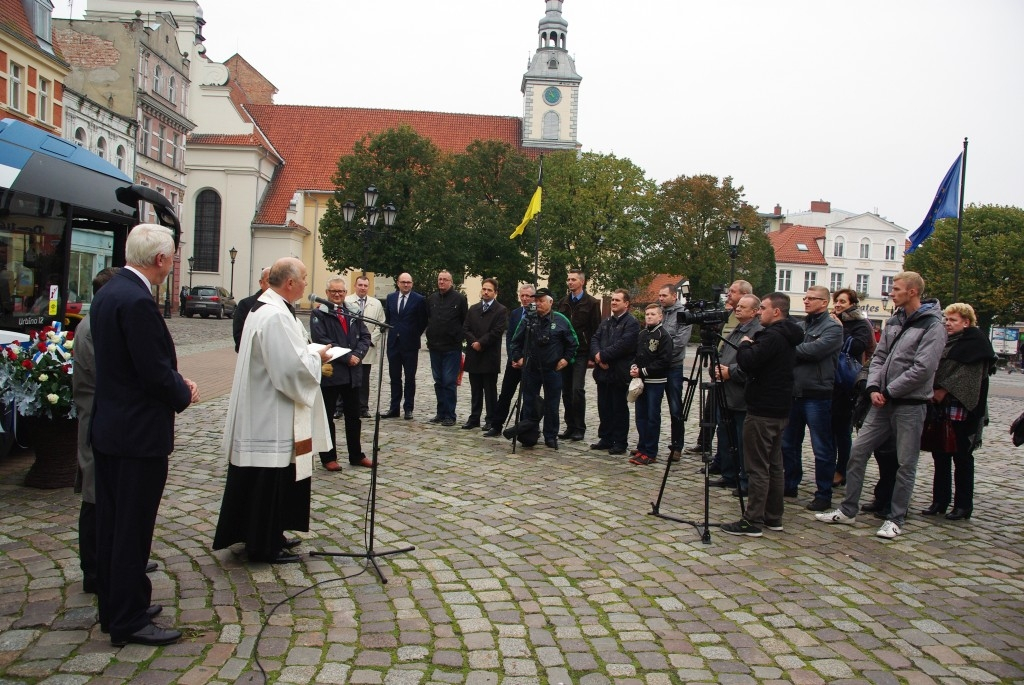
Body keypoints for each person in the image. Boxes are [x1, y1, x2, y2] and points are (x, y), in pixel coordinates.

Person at [89, 224, 198, 647]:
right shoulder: (136, 301)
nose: (172, 265)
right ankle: (128, 618)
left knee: (115, 524)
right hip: (136, 433)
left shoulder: (110, 292)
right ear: (159, 259)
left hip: (112, 426)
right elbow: (152, 370)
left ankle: (119, 603)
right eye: (172, 257)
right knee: (132, 528)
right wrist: (182, 390)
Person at [214, 258, 333, 563]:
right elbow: (289, 369)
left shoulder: (269, 308)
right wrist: (317, 358)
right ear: (290, 283)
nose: (308, 283)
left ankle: (270, 533)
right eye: (304, 278)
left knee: (270, 482)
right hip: (271, 415)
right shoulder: (276, 316)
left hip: (265, 410)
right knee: (268, 482)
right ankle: (263, 545)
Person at [816, 271, 946, 540]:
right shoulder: (896, 320)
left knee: (905, 463)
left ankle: (896, 517)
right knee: (858, 452)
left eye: (896, 288)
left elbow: (924, 368)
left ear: (912, 292)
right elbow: (879, 356)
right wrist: (874, 387)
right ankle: (848, 509)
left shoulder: (933, 324)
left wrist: (889, 390)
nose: (891, 292)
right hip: (881, 401)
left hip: (910, 403)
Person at [720, 292, 802, 537]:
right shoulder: (789, 334)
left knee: (757, 466)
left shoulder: (772, 337)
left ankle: (753, 519)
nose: (759, 312)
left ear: (776, 311)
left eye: (762, 308)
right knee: (774, 465)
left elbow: (748, 361)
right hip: (778, 407)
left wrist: (745, 343)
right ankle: (773, 516)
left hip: (763, 409)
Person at [922, 302, 996, 520]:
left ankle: (963, 505)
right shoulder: (945, 341)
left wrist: (944, 388)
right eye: (946, 319)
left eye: (953, 320)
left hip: (962, 408)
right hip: (940, 409)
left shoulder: (976, 342)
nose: (948, 323)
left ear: (966, 322)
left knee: (962, 456)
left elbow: (969, 375)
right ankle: (940, 501)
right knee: (940, 453)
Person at [72, 267, 121, 595]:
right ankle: (93, 568)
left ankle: (113, 558)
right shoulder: (92, 328)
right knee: (93, 495)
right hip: (96, 419)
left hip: (103, 416)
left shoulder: (96, 323)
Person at [781, 285, 843, 511]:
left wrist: (790, 350)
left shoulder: (833, 328)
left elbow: (813, 352)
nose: (806, 301)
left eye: (812, 298)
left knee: (822, 447)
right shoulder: (801, 325)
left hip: (818, 394)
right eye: (805, 297)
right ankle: (790, 483)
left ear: (824, 302)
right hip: (794, 392)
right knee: (788, 443)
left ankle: (823, 493)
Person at [311, 278, 372, 471]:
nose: (337, 295)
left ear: (346, 292)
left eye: (340, 291)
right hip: (332, 372)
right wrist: (347, 357)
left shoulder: (352, 312)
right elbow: (322, 339)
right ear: (327, 292)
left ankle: (356, 455)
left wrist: (358, 354)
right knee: (328, 417)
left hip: (353, 373)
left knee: (354, 416)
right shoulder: (319, 313)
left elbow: (365, 336)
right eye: (333, 291)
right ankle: (328, 456)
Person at [509, 287, 578, 449]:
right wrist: (518, 358)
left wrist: (566, 359)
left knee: (552, 405)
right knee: (529, 402)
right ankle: (528, 434)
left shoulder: (561, 320)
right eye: (536, 301)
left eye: (541, 301)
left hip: (553, 370)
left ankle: (550, 435)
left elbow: (573, 343)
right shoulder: (528, 319)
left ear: (550, 302)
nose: (538, 304)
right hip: (531, 369)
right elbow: (515, 342)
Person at [690, 280, 753, 457]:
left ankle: (727, 459)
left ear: (745, 294)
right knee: (712, 411)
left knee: (729, 421)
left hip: (733, 375)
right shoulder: (728, 314)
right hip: (719, 369)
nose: (728, 294)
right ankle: (710, 448)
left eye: (733, 291)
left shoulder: (747, 320)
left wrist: (729, 371)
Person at [710, 293, 763, 494]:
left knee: (742, 442)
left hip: (741, 394)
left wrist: (730, 373)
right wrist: (716, 369)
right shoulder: (736, 330)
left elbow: (752, 363)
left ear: (754, 311)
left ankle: (744, 480)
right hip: (725, 392)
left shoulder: (757, 331)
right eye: (737, 306)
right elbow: (722, 353)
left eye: (742, 306)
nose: (737, 308)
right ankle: (728, 474)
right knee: (725, 436)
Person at [829, 288, 875, 488]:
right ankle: (832, 468)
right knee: (829, 429)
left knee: (842, 430)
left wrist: (839, 329)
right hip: (830, 380)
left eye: (842, 301)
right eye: (836, 301)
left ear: (852, 304)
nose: (838, 304)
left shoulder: (861, 323)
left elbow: (857, 347)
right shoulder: (830, 320)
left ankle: (843, 469)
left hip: (847, 381)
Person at [588, 289, 639, 455]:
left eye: (617, 300)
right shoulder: (606, 322)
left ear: (626, 303)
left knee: (618, 407)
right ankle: (606, 438)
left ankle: (620, 441)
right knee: (604, 406)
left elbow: (624, 345)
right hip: (603, 373)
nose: (614, 303)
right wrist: (597, 356)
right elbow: (595, 338)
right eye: (613, 300)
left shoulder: (631, 323)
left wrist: (602, 356)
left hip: (619, 372)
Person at [557, 269, 602, 441]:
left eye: (573, 279)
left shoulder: (592, 303)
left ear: (581, 282)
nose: (570, 282)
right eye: (568, 279)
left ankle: (579, 427)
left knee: (577, 389)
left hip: (582, 352)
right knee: (566, 391)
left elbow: (595, 330)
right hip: (565, 352)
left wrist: (593, 355)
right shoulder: (563, 302)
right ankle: (570, 426)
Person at [485, 284, 536, 437]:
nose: (525, 298)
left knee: (528, 396)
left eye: (528, 296)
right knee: (505, 394)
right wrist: (513, 357)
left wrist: (525, 358)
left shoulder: (537, 313)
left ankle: (524, 428)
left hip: (530, 363)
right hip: (514, 362)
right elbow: (510, 337)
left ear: (533, 297)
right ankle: (496, 425)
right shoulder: (515, 313)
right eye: (522, 295)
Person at [628, 304, 673, 465]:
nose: (649, 316)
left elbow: (664, 361)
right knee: (641, 416)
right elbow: (636, 355)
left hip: (655, 382)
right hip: (641, 382)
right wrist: (633, 367)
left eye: (653, 314)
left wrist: (643, 371)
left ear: (660, 317)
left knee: (652, 417)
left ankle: (650, 451)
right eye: (647, 314)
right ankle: (642, 446)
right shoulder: (642, 334)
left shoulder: (663, 335)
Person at [462, 278, 507, 430]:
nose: (486, 292)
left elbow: (497, 331)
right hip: (474, 355)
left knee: (490, 390)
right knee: (475, 389)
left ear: (495, 293)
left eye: (489, 290)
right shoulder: (473, 309)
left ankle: (490, 419)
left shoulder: (501, 310)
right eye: (484, 289)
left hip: (489, 355)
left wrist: (481, 343)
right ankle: (474, 417)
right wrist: (474, 342)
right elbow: (466, 328)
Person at [425, 270, 468, 426]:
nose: (441, 282)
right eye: (439, 279)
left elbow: (465, 321)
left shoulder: (460, 299)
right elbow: (428, 318)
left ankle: (450, 415)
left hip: (452, 348)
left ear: (451, 282)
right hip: (435, 347)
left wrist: (459, 338)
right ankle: (440, 412)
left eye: (445, 279)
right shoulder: (432, 299)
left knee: (449, 381)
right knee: (438, 381)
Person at [383, 273, 427, 419]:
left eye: (408, 282)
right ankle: (394, 408)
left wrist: (413, 334)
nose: (406, 285)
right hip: (393, 344)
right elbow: (389, 318)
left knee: (409, 378)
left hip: (410, 345)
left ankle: (408, 408)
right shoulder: (391, 298)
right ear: (398, 283)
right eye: (403, 282)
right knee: (394, 377)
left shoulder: (419, 300)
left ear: (412, 283)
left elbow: (422, 321)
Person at [657, 283, 692, 462]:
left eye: (664, 295)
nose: (661, 299)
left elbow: (679, 342)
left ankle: (677, 446)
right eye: (660, 296)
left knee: (675, 407)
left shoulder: (683, 314)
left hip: (673, 367)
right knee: (652, 406)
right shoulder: (659, 312)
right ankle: (649, 445)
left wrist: (660, 356)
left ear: (674, 296)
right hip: (657, 368)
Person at [345, 275, 385, 418]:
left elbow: (381, 325)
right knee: (345, 377)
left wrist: (369, 341)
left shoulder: (376, 303)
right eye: (360, 285)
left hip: (367, 347)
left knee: (363, 379)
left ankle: (363, 407)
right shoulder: (347, 301)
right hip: (349, 347)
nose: (362, 288)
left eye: (365, 286)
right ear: (355, 286)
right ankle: (341, 407)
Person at [233, 266, 270, 352]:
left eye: (275, 282)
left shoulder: (284, 305)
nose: (272, 285)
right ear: (261, 283)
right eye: (269, 281)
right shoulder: (246, 304)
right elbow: (239, 336)